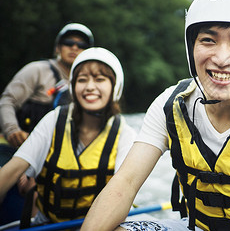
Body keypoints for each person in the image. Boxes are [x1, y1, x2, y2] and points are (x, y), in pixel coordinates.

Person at [82, 0, 230, 231]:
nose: (222, 59)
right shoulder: (169, 105)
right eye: (208, 40)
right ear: (191, 48)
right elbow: (124, 185)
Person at [0, 47, 136, 226]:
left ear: (115, 87)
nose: (89, 87)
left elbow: (121, 195)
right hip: (47, 224)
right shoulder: (54, 120)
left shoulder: (126, 135)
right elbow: (11, 172)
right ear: (73, 87)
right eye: (82, 80)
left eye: (100, 79)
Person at [0, 23, 94, 148]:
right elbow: (7, 100)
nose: (75, 47)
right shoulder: (37, 70)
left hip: (55, 154)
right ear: (57, 48)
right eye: (68, 43)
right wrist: (12, 130)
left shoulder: (91, 84)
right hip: (18, 148)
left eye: (81, 45)